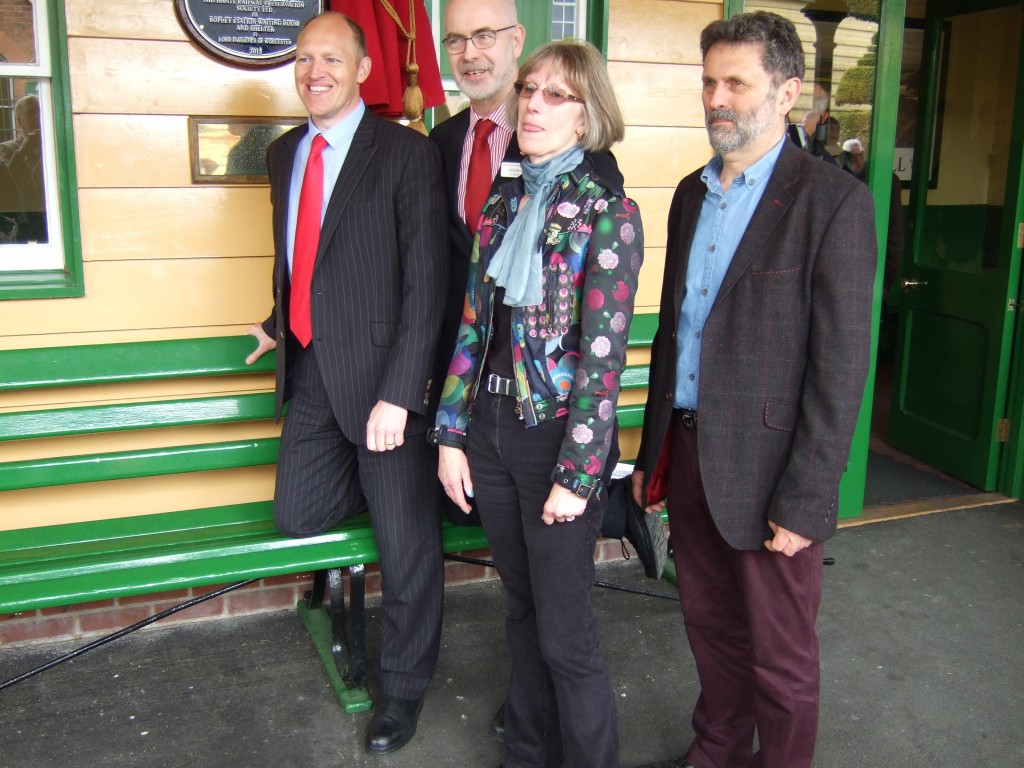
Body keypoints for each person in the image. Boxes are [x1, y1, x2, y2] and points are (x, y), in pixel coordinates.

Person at [631, 12, 876, 768]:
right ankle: (719, 752)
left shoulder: (831, 202)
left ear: (789, 92)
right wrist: (652, 455)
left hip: (773, 474)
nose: (717, 99)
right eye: (709, 81)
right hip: (692, 453)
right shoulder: (689, 193)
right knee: (710, 628)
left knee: (782, 657)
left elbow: (839, 371)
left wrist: (807, 500)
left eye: (736, 82)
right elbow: (676, 334)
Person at [431, 38, 643, 768]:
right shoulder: (505, 197)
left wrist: (577, 474)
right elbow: (471, 323)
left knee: (564, 629)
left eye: (557, 95)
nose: (534, 105)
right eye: (530, 90)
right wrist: (450, 433)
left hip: (553, 440)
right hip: (488, 432)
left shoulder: (608, 211)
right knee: (519, 611)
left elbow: (604, 361)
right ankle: (526, 752)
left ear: (587, 118)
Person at [243, 11, 447, 756]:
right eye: (303, 59)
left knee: (406, 546)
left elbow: (426, 284)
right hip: (314, 373)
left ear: (364, 69)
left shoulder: (404, 153)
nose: (314, 70)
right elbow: (307, 259)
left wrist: (401, 393)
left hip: (383, 390)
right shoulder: (283, 153)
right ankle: (395, 489)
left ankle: (402, 689)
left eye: (331, 57)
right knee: (297, 517)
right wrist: (276, 321)